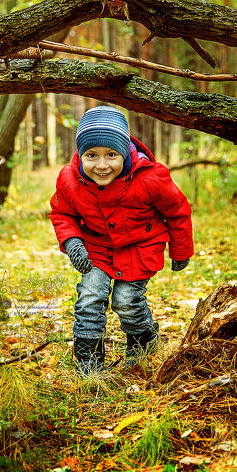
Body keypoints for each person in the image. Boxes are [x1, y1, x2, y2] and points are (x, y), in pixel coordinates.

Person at [49, 105, 194, 375]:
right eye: (91, 155)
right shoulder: (70, 181)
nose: (102, 165)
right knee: (90, 296)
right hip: (97, 247)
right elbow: (62, 214)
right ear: (80, 154)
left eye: (111, 155)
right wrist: (72, 243)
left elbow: (178, 212)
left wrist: (181, 250)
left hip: (141, 247)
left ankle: (143, 341)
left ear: (125, 151)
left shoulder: (151, 177)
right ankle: (88, 360)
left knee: (126, 300)